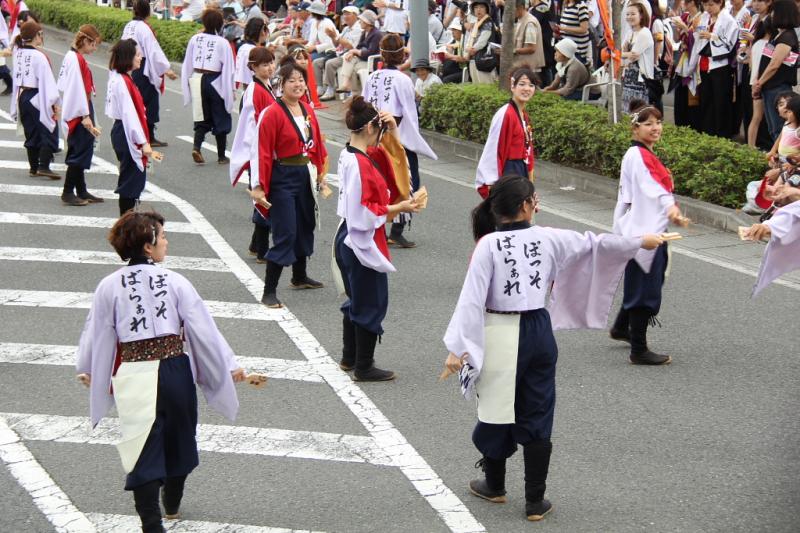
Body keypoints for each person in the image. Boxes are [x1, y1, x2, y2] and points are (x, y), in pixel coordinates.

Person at [443, 175, 664, 523]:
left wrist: (459, 347)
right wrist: (639, 242)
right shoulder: (547, 237)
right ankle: (535, 500)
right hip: (538, 330)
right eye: (534, 198)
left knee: (498, 405)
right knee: (538, 407)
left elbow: (471, 300)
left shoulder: (487, 245)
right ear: (526, 205)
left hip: (499, 331)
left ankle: (495, 484)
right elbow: (595, 244)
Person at [76, 209, 246, 533]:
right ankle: (171, 501)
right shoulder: (175, 281)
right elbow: (203, 329)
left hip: (134, 371)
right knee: (181, 436)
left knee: (142, 445)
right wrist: (228, 364)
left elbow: (96, 331)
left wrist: (89, 368)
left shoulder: (109, 286)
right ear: (147, 246)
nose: (167, 242)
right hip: (174, 369)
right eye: (163, 237)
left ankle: (152, 524)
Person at [334, 97, 420, 381]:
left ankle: (350, 357)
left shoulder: (349, 154)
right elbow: (367, 213)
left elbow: (394, 159)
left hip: (347, 234)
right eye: (381, 131)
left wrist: (392, 130)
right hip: (361, 238)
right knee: (370, 301)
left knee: (356, 298)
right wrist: (400, 207)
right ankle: (364, 365)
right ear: (371, 128)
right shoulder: (362, 163)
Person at [609, 100, 690, 365]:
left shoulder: (642, 153)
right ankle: (639, 350)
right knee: (645, 286)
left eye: (658, 122)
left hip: (643, 227)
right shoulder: (639, 155)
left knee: (641, 282)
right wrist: (672, 209)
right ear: (635, 129)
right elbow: (654, 186)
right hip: (643, 232)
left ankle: (622, 327)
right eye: (648, 124)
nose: (655, 128)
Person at [249, 62, 328, 308]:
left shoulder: (307, 109)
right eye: (291, 80)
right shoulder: (272, 113)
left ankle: (299, 275)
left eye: (301, 80)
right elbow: (261, 151)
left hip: (304, 172)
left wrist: (320, 171)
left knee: (305, 224)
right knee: (286, 231)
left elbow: (316, 143)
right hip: (282, 176)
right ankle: (269, 290)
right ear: (280, 84)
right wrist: (259, 185)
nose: (298, 85)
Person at [363, 33, 438, 248]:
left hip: (374, 136)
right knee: (407, 180)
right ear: (401, 53)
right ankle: (397, 230)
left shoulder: (373, 76)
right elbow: (408, 112)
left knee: (378, 182)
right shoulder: (403, 80)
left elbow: (366, 106)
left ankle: (376, 226)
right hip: (396, 137)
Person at [230, 47, 277, 264]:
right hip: (260, 151)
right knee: (263, 197)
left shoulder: (265, 87)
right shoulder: (256, 91)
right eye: (264, 64)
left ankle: (256, 244)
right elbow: (255, 126)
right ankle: (262, 250)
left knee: (264, 197)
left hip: (264, 150)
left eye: (271, 63)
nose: (269, 68)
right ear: (253, 67)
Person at [181, 8, 236, 165]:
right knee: (221, 115)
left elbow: (188, 63)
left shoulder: (195, 38)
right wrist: (230, 89)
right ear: (220, 24)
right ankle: (221, 156)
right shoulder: (223, 43)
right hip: (215, 80)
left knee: (201, 114)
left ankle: (196, 147)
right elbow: (229, 69)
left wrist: (187, 81)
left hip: (198, 78)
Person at [57, 24, 103, 207]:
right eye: (93, 44)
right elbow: (78, 88)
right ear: (84, 41)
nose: (94, 48)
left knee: (81, 149)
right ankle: (68, 191)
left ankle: (81, 189)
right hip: (79, 110)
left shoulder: (71, 57)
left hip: (76, 107)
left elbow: (64, 84)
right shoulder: (76, 59)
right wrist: (85, 115)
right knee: (80, 151)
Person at [122, 0, 178, 148]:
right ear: (148, 12)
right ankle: (148, 136)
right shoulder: (144, 28)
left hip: (129, 66)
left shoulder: (129, 26)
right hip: (143, 67)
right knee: (149, 102)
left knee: (135, 100)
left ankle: (137, 134)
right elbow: (153, 51)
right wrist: (166, 69)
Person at [10, 21, 61, 180]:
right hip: (38, 95)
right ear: (35, 36)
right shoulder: (39, 56)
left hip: (22, 95)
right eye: (40, 34)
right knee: (49, 129)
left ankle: (33, 167)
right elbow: (47, 81)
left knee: (31, 132)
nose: (42, 37)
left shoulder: (18, 52)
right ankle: (44, 166)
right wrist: (55, 103)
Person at [476, 67, 536, 199]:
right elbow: (493, 149)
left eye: (531, 85)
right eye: (522, 84)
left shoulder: (524, 115)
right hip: (509, 172)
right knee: (509, 215)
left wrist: (531, 187)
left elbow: (528, 151)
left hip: (521, 171)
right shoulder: (506, 114)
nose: (527, 89)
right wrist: (491, 183)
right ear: (512, 86)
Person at [753, 0, 800, 141]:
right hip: (769, 87)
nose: (771, 15)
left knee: (779, 129)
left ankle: (783, 160)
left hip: (778, 88)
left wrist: (759, 83)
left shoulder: (787, 37)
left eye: (773, 11)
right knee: (773, 129)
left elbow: (774, 64)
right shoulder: (778, 35)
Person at [691, 0, 738, 138]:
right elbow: (698, 40)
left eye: (711, 4)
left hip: (720, 66)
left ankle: (722, 135)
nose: (708, 8)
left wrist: (712, 36)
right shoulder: (704, 17)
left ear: (720, 3)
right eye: (705, 5)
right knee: (706, 101)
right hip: (704, 64)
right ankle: (707, 133)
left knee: (721, 102)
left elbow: (730, 44)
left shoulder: (729, 20)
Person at [316, 5, 362, 100]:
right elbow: (337, 45)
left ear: (355, 15)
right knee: (316, 62)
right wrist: (333, 37)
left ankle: (330, 89)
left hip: (351, 56)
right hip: (340, 53)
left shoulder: (359, 28)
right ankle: (320, 87)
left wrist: (336, 37)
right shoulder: (346, 29)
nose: (345, 16)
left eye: (348, 14)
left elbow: (351, 46)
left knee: (329, 63)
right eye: (344, 14)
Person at [670, 0, 702, 131]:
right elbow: (677, 39)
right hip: (683, 59)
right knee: (680, 93)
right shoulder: (685, 16)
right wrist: (678, 28)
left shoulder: (699, 18)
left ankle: (692, 125)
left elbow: (697, 41)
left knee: (692, 94)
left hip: (694, 60)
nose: (682, 3)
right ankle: (680, 124)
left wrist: (684, 27)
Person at [621, 1, 657, 111]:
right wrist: (624, 54)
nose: (629, 17)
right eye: (627, 14)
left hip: (640, 80)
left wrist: (622, 54)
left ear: (641, 15)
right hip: (628, 77)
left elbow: (633, 56)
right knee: (627, 111)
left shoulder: (644, 33)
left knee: (638, 112)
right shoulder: (630, 33)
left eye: (633, 14)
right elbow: (621, 52)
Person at [339, 9, 382, 95]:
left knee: (353, 69)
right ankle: (346, 85)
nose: (359, 22)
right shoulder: (364, 32)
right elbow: (359, 46)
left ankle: (354, 92)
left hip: (371, 61)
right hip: (363, 58)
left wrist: (354, 51)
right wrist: (352, 52)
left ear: (367, 22)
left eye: (361, 20)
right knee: (347, 57)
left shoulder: (376, 34)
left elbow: (370, 52)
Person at [466, 0, 497, 84]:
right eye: (476, 7)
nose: (478, 9)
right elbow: (470, 38)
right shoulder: (476, 23)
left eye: (481, 7)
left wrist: (472, 49)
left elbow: (483, 41)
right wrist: (468, 49)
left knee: (486, 86)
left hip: (484, 59)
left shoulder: (488, 22)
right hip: (474, 59)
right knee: (476, 86)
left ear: (486, 9)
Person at [235, 17, 268, 90]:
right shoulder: (256, 51)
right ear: (263, 31)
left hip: (246, 89)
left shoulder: (242, 47)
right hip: (257, 89)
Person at [512, 0, 544, 73]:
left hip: (529, 69)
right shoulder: (521, 20)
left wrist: (513, 51)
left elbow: (532, 48)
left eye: (513, 9)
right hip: (522, 66)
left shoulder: (530, 23)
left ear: (521, 7)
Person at [558, 0, 592, 65]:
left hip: (577, 50)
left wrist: (564, 29)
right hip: (566, 49)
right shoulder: (567, 5)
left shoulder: (581, 6)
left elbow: (584, 29)